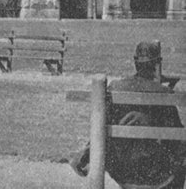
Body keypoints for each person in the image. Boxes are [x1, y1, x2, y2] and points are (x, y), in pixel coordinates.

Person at [70, 41, 185, 189]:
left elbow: (101, 130)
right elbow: (177, 139)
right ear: (157, 64)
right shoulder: (164, 94)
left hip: (122, 169)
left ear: (135, 61)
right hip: (156, 174)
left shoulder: (115, 87)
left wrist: (86, 152)